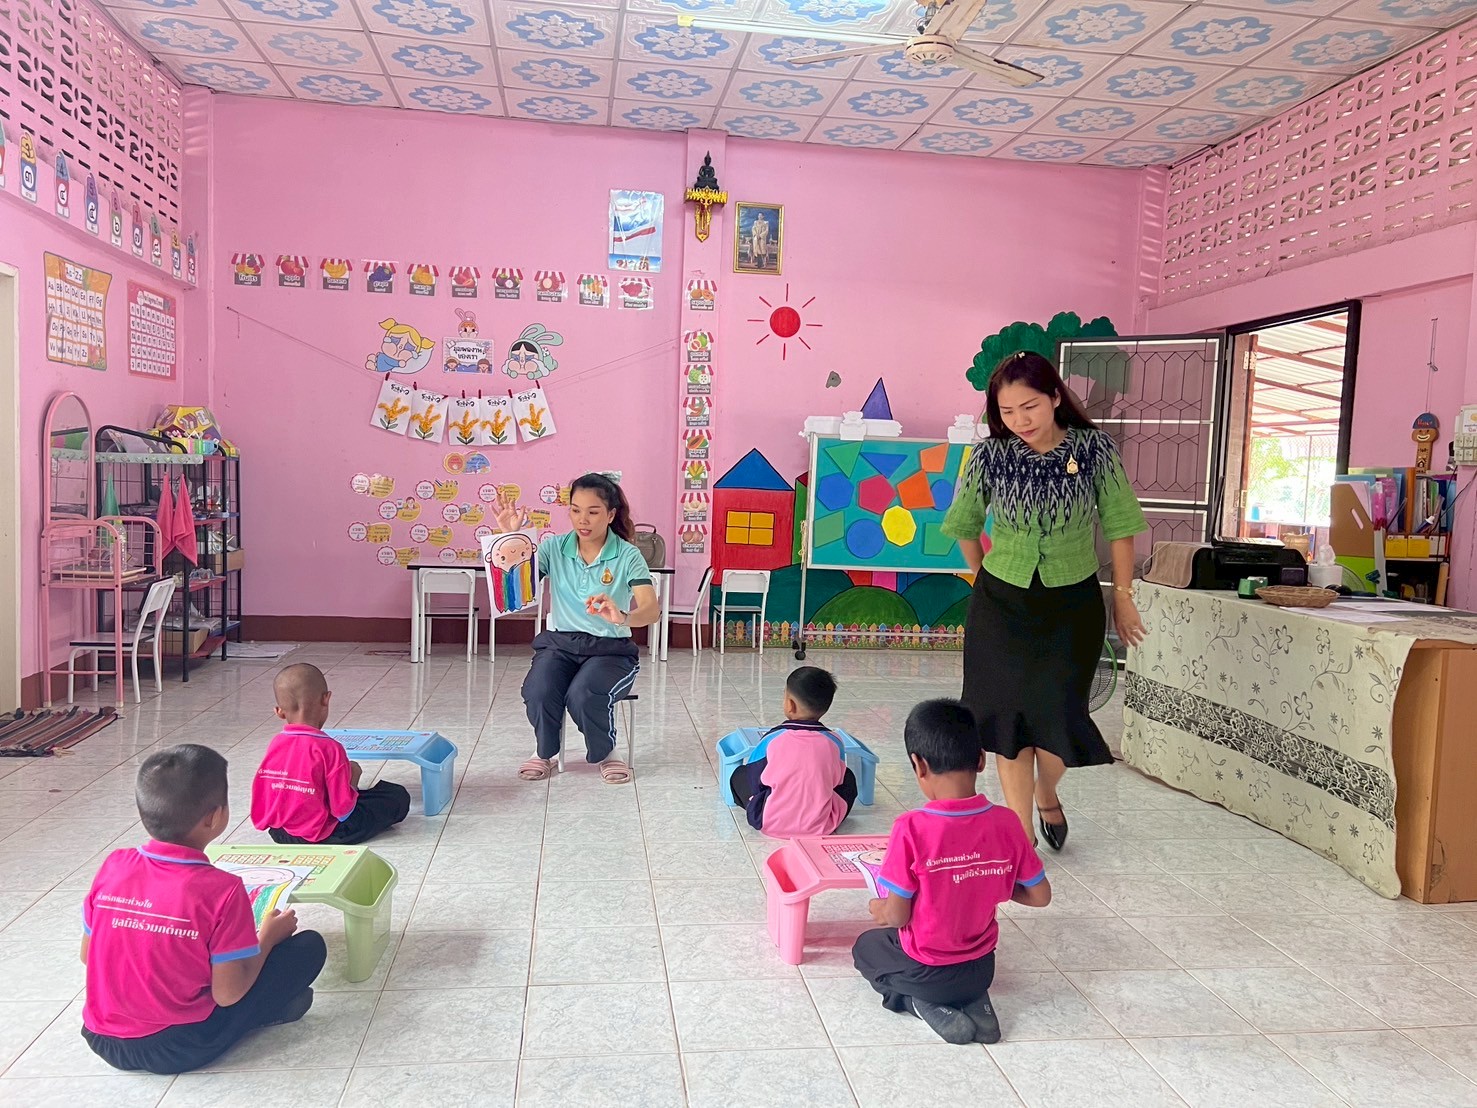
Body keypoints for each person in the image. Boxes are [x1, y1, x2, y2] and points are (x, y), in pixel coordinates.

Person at [941, 351, 1148, 851]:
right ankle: (1020, 834)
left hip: (1072, 604)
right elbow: (964, 523)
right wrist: (983, 576)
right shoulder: (990, 455)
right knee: (1008, 719)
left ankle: (1046, 791)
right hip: (1001, 605)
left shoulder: (1095, 449)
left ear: (1055, 397)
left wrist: (1123, 598)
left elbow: (1121, 526)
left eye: (1030, 406)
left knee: (1062, 717)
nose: (1020, 420)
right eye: (1007, 411)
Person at [80, 744, 326, 1074]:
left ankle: (271, 1007)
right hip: (179, 1047)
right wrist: (267, 938)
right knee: (308, 948)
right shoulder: (222, 889)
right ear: (214, 816)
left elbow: (88, 954)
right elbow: (228, 994)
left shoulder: (114, 865)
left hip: (101, 1039)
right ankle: (266, 1012)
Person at [852, 699, 1050, 1045]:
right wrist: (990, 882)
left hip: (927, 973)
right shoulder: (1007, 822)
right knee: (956, 976)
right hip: (981, 970)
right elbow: (1040, 896)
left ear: (919, 764)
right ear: (981, 759)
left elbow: (898, 917)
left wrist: (879, 909)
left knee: (867, 947)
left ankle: (917, 1003)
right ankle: (975, 1003)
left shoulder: (911, 828)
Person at [497, 473, 661, 784]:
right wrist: (510, 538)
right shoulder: (553, 548)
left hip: (610, 650)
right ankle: (544, 752)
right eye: (575, 510)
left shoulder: (628, 555)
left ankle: (607, 752)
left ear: (610, 514)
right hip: (560, 644)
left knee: (584, 694)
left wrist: (622, 616)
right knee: (539, 690)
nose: (582, 520)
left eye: (593, 511)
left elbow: (651, 611)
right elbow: (517, 591)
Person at [251, 663, 411, 845]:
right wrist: (353, 778)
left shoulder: (276, 744)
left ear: (279, 712)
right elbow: (343, 812)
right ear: (326, 699)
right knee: (396, 796)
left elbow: (265, 796)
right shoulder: (330, 748)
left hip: (281, 832)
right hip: (325, 834)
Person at [729, 665, 858, 838]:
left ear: (790, 705)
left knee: (739, 774)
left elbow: (754, 778)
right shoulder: (835, 741)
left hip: (769, 822)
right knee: (848, 777)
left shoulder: (772, 739)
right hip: (821, 826)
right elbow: (837, 781)